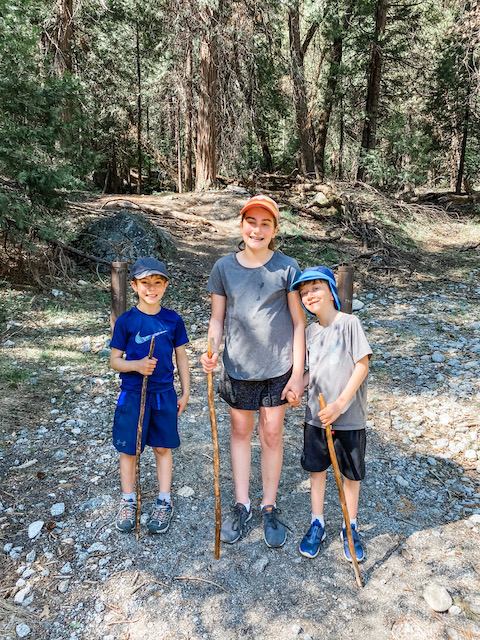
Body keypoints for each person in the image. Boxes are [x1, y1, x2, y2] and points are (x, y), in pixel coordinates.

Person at [200, 195, 305, 548]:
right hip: (238, 368)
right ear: (241, 223)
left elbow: (299, 323)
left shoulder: (287, 268)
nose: (257, 230)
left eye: (265, 224)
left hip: (278, 369)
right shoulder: (223, 268)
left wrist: (297, 374)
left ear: (275, 229)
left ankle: (268, 505)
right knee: (241, 432)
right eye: (251, 221)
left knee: (272, 434)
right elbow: (217, 318)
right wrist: (211, 350)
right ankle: (242, 503)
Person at [288, 266, 372, 561]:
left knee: (350, 475)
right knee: (317, 470)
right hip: (317, 417)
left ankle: (350, 526)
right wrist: (297, 387)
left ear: (331, 292)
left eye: (316, 288)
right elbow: (312, 372)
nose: (310, 295)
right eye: (304, 292)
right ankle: (317, 522)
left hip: (349, 417)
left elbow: (362, 365)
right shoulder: (311, 332)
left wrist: (340, 404)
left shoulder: (350, 323)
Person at [110, 257, 189, 535]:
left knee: (162, 447)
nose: (151, 288)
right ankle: (128, 500)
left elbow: (181, 356)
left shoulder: (173, 320)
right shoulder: (126, 321)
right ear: (133, 285)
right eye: (145, 283)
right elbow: (114, 361)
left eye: (157, 283)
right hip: (132, 395)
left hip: (164, 395)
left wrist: (185, 390)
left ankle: (163, 501)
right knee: (129, 449)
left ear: (166, 285)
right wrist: (136, 366)